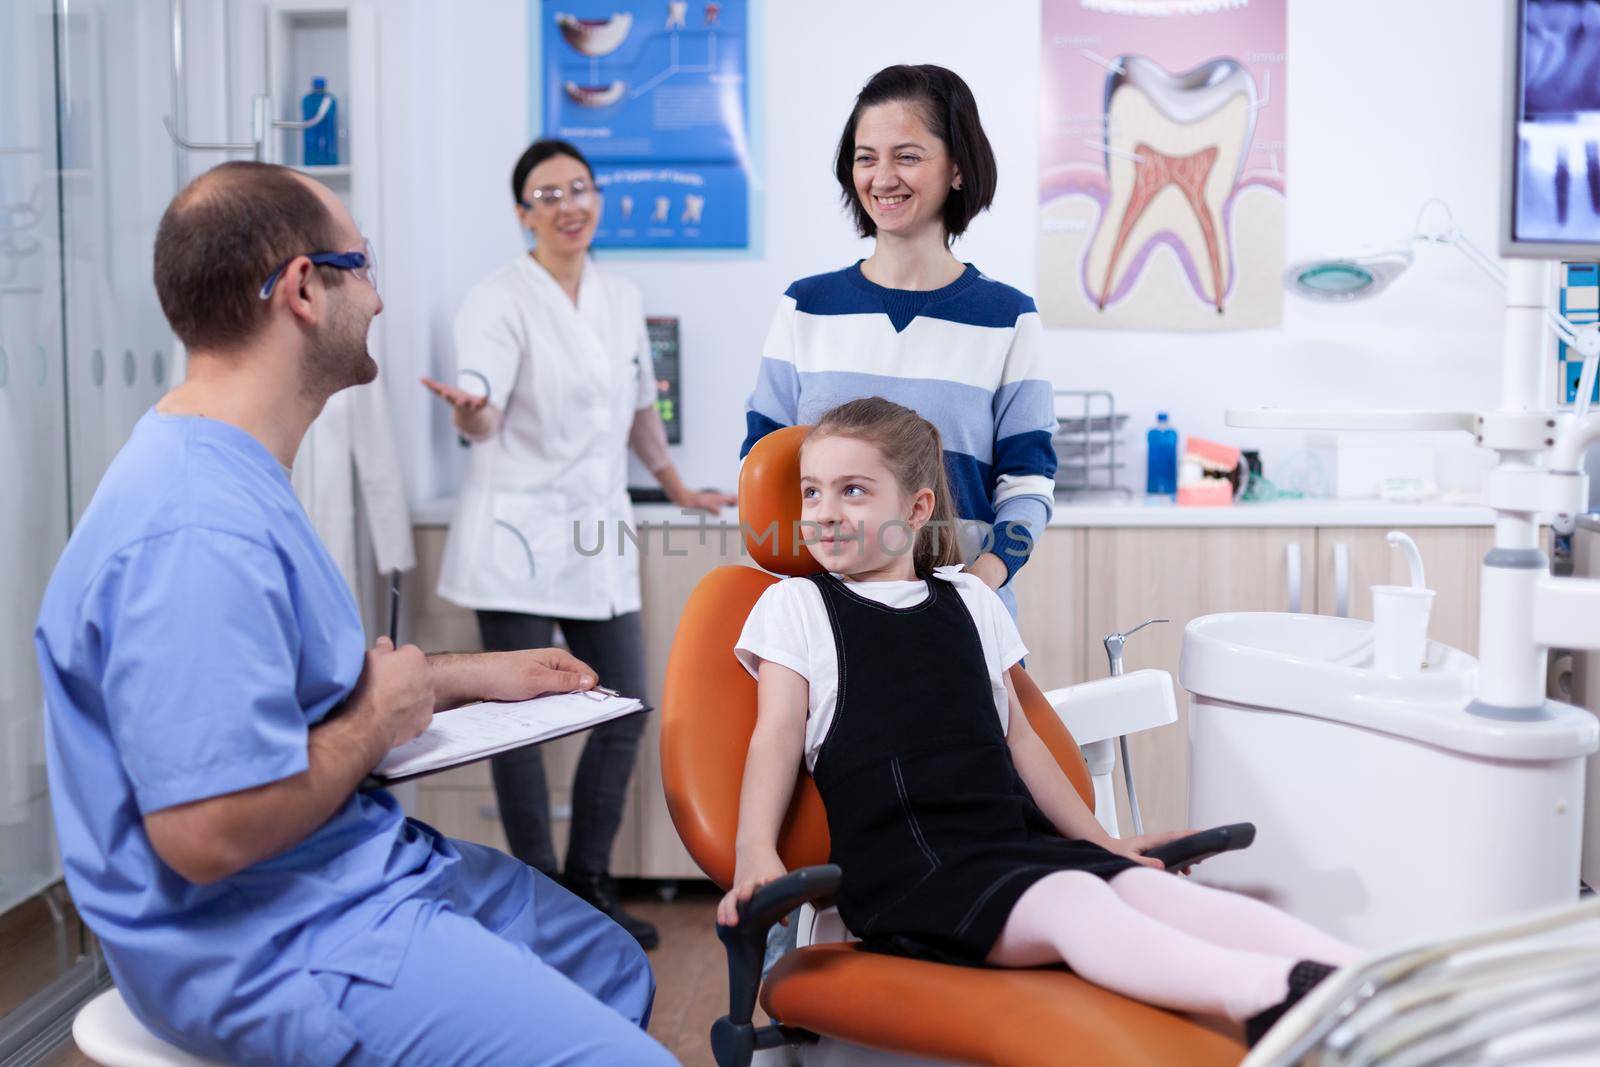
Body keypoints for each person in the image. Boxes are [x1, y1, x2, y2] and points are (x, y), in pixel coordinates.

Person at [34, 162, 675, 1067]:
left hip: (346, 864)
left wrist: (451, 677)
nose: (377, 298)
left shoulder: (237, 472)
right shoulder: (193, 527)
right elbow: (207, 832)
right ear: (303, 288)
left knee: (608, 964)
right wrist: (381, 717)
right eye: (363, 266)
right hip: (271, 938)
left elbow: (296, 694)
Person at [721, 397, 1365, 1047]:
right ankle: (1269, 998)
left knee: (1149, 890)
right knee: (1075, 903)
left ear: (915, 509)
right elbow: (774, 735)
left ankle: (1365, 980)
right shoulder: (796, 605)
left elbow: (1019, 739)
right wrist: (756, 848)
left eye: (852, 490)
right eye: (811, 492)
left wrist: (1101, 843)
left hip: (1013, 845)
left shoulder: (970, 599)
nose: (825, 512)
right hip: (912, 876)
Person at [423, 139, 733, 951]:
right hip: (518, 538)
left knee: (624, 703)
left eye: (580, 188)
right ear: (524, 212)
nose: (568, 203)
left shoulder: (620, 295)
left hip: (595, 537)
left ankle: (589, 883)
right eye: (547, 192)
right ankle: (533, 897)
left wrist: (676, 486)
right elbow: (482, 403)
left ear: (598, 199)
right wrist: (469, 412)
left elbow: (639, 408)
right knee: (514, 728)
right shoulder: (498, 298)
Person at [740, 65, 1056, 616]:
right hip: (829, 617)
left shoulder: (1008, 318)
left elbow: (1028, 483)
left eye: (907, 156)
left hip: (963, 611)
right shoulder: (805, 307)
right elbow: (761, 467)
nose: (882, 178)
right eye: (866, 158)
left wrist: (986, 578)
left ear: (957, 169)